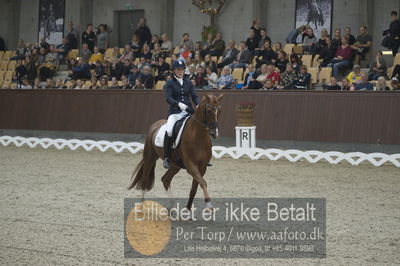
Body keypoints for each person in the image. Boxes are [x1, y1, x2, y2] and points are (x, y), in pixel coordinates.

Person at [163, 60, 199, 169]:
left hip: (188, 111)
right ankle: (166, 157)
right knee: (169, 130)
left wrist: (198, 105)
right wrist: (178, 104)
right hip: (175, 112)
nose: (180, 71)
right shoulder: (170, 83)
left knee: (200, 127)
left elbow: (195, 96)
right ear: (174, 71)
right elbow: (168, 98)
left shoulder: (189, 82)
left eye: (182, 69)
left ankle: (201, 155)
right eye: (178, 69)